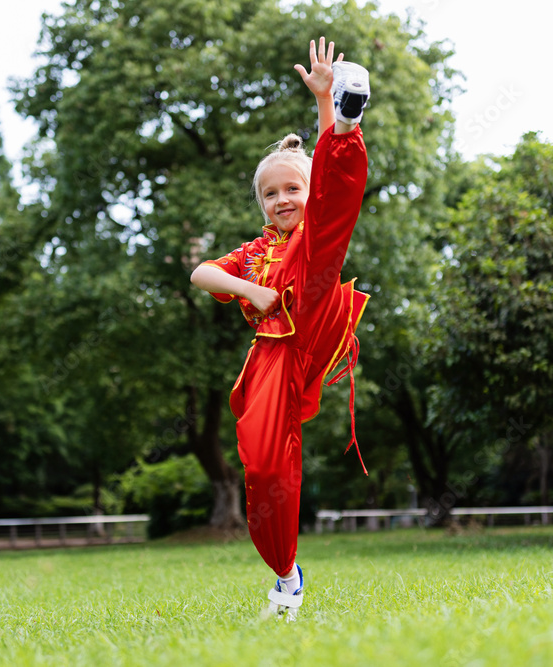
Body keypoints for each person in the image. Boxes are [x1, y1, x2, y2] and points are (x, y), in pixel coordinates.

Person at [189, 37, 371, 621]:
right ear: (261, 204)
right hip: (273, 352)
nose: (282, 199)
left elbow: (326, 195)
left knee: (327, 222)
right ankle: (286, 574)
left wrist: (326, 108)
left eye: (292, 188)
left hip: (313, 296)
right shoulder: (252, 251)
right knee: (264, 465)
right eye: (271, 194)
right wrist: (250, 289)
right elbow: (200, 272)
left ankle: (347, 123)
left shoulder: (308, 223)